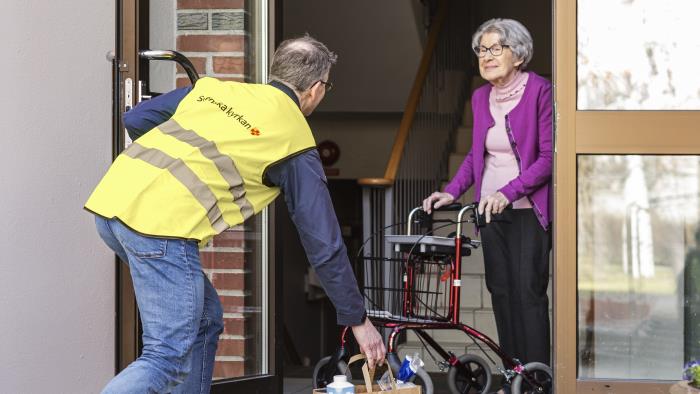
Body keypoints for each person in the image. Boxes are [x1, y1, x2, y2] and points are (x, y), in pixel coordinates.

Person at [85, 35, 385, 394]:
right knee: (166, 357)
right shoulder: (293, 139)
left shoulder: (215, 91)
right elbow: (323, 242)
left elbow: (137, 117)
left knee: (205, 319)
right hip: (160, 230)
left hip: (111, 204)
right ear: (317, 89)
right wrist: (357, 319)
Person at [422, 18, 552, 390]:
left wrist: (507, 192)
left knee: (528, 292)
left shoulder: (541, 91)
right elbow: (473, 157)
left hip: (528, 210)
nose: (487, 56)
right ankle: (514, 373)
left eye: (496, 48)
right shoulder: (480, 97)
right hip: (489, 211)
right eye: (482, 49)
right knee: (502, 292)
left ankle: (537, 378)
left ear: (518, 53)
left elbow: (546, 158)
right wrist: (452, 191)